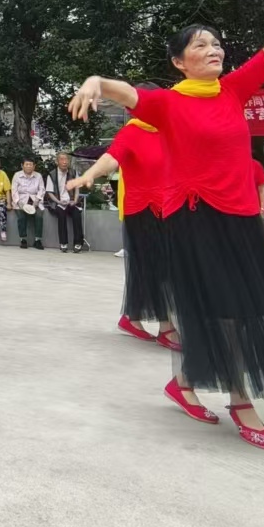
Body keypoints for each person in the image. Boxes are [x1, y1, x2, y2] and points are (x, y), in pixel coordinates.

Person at [69, 0, 264, 449]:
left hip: (239, 219)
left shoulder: (234, 90)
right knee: (222, 310)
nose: (214, 49)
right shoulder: (165, 104)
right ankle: (238, 396)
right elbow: (123, 91)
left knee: (244, 307)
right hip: (194, 219)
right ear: (178, 62)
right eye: (200, 44)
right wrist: (94, 81)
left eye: (216, 43)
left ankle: (184, 383)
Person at [69, 111, 180, 351]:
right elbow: (112, 158)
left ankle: (131, 318)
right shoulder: (131, 132)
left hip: (166, 209)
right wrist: (90, 173)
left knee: (157, 268)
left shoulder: (167, 132)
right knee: (156, 268)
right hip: (141, 211)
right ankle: (165, 326)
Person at [44, 151, 86, 253]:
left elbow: (77, 189)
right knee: (61, 215)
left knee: (77, 214)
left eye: (66, 159)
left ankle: (78, 243)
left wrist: (75, 201)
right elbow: (49, 192)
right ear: (57, 161)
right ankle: (63, 243)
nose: (64, 162)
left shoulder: (73, 172)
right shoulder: (52, 174)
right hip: (58, 201)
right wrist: (58, 201)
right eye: (62, 159)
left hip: (71, 201)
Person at [11, 157, 46, 250]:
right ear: (22, 166)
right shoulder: (17, 175)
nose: (29, 166)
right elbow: (14, 191)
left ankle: (37, 240)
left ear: (34, 166)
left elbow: (42, 189)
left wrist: (36, 202)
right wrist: (19, 203)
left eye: (31, 165)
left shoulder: (38, 176)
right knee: (21, 217)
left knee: (39, 216)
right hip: (21, 201)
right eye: (26, 164)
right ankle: (23, 239)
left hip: (35, 201)